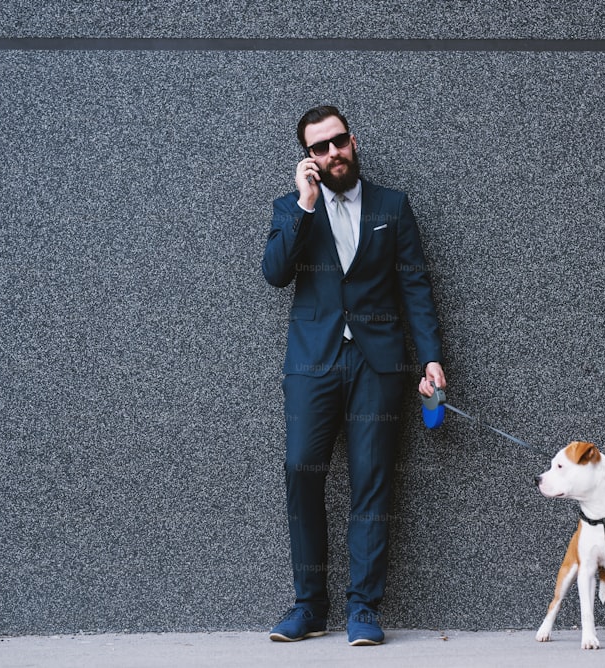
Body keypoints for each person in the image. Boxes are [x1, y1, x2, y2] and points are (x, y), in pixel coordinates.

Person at [262, 105, 446, 646]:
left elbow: (415, 286)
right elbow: (275, 273)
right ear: (308, 158)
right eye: (318, 148)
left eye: (337, 141)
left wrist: (431, 356)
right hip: (312, 364)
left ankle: (363, 607)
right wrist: (304, 205)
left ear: (353, 140)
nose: (331, 153)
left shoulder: (392, 205)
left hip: (377, 364)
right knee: (301, 473)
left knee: (371, 481)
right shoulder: (293, 208)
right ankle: (308, 606)